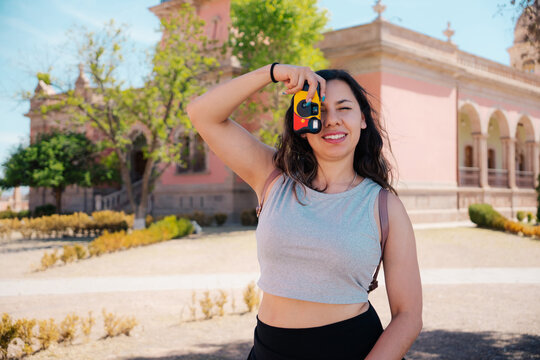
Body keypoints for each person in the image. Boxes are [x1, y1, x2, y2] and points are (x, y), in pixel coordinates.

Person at [186, 63, 423, 359]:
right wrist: (272, 72)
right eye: (318, 110)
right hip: (267, 351)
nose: (331, 120)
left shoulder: (385, 206)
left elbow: (408, 316)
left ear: (362, 119)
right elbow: (202, 114)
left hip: (351, 349)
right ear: (301, 122)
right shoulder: (273, 178)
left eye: (344, 108)